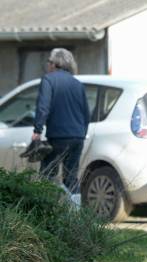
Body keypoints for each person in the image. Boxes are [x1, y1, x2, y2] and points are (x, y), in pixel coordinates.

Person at [32, 48, 90, 203]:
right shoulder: (77, 84)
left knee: (47, 174)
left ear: (55, 64)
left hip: (58, 136)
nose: (47, 65)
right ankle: (75, 216)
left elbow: (43, 107)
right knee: (71, 177)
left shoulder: (48, 80)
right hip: (78, 137)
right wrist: (81, 134)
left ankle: (48, 210)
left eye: (49, 62)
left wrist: (37, 130)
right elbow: (86, 114)